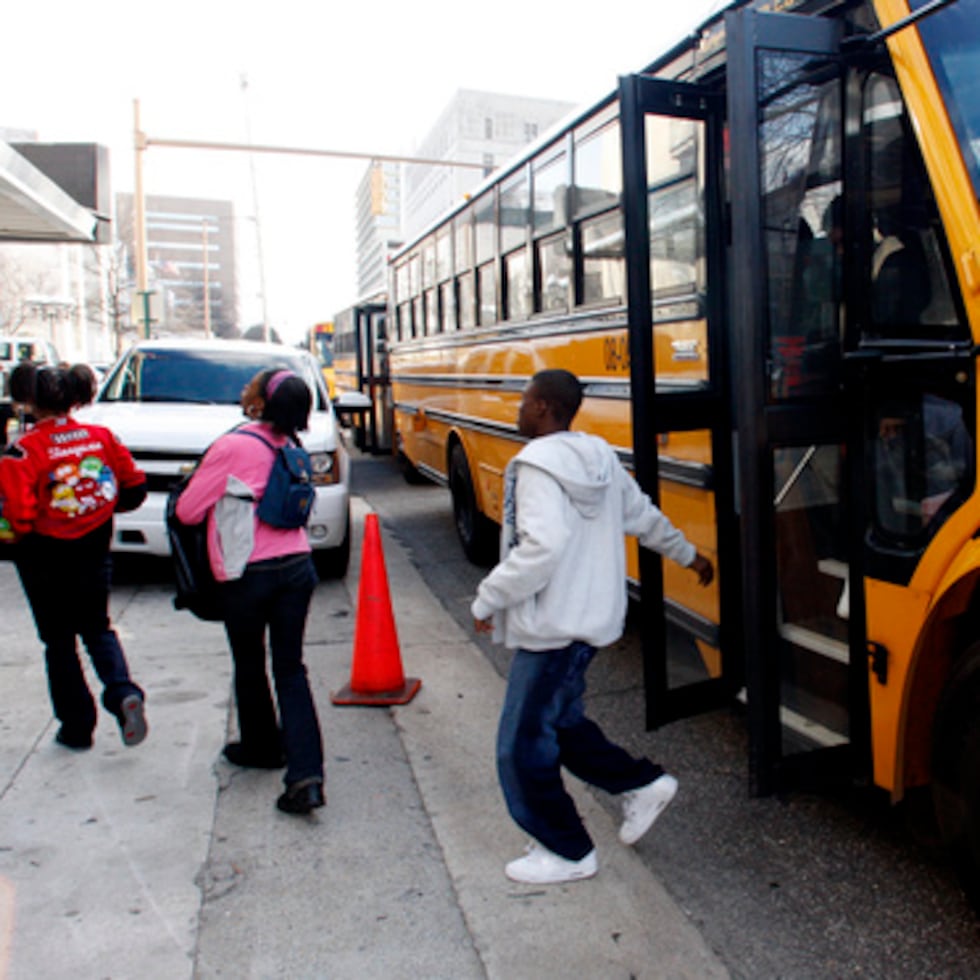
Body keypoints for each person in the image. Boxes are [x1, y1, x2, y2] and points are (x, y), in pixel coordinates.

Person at [471, 369, 713, 885]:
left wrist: (488, 598)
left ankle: (566, 850)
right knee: (560, 724)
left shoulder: (533, 465)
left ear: (542, 407)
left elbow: (542, 547)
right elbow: (642, 516)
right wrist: (689, 556)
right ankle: (641, 785)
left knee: (520, 743)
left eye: (524, 400)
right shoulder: (599, 457)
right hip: (589, 621)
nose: (518, 409)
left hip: (553, 626)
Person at [175, 367, 325, 816]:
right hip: (298, 568)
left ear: (262, 402)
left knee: (248, 660)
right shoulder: (292, 446)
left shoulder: (234, 445)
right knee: (291, 670)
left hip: (247, 573)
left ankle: (261, 746)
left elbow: (187, 511)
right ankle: (306, 777)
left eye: (251, 387)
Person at [0, 362, 148, 750]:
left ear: (31, 400)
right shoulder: (101, 436)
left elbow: (19, 515)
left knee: (59, 642)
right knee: (98, 628)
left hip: (43, 558)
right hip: (94, 548)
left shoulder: (23, 450)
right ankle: (122, 691)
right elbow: (134, 487)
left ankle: (77, 727)